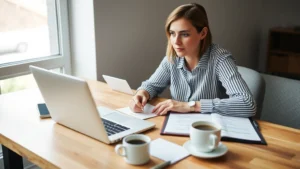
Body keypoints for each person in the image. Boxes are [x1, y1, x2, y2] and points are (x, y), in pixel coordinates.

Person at [129, 3, 256, 117]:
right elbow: (151, 86)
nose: (176, 42)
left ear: (203, 33)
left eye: (184, 34)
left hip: (211, 132)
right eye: (172, 33)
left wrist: (190, 106)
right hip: (177, 128)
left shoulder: (220, 59)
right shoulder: (172, 58)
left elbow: (247, 103)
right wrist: (142, 94)